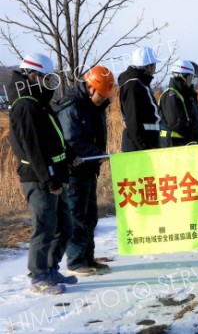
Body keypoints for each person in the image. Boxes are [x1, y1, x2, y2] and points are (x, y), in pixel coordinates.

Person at [7, 53, 77, 294]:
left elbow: (53, 137)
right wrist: (49, 180)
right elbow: (34, 148)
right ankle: (39, 277)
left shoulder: (38, 102)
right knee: (44, 227)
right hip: (38, 178)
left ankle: (51, 268)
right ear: (32, 74)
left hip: (53, 174)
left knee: (64, 226)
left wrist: (68, 156)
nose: (49, 81)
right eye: (45, 76)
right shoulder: (25, 105)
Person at [56, 65, 114, 277]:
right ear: (90, 88)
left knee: (91, 216)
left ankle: (88, 257)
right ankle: (76, 261)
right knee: (77, 216)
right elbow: (71, 141)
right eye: (101, 94)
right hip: (74, 171)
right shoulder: (71, 108)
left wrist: (98, 156)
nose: (104, 98)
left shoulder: (95, 107)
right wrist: (98, 154)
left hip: (89, 169)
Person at [118, 46, 161, 152]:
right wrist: (144, 148)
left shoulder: (140, 83)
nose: (155, 68)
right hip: (139, 148)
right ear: (147, 66)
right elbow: (133, 121)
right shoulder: (134, 86)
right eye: (153, 65)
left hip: (146, 144)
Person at [158, 60, 198, 147]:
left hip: (184, 142)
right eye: (191, 76)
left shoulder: (185, 94)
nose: (192, 79)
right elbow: (175, 123)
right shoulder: (171, 95)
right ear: (184, 76)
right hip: (174, 144)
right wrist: (193, 134)